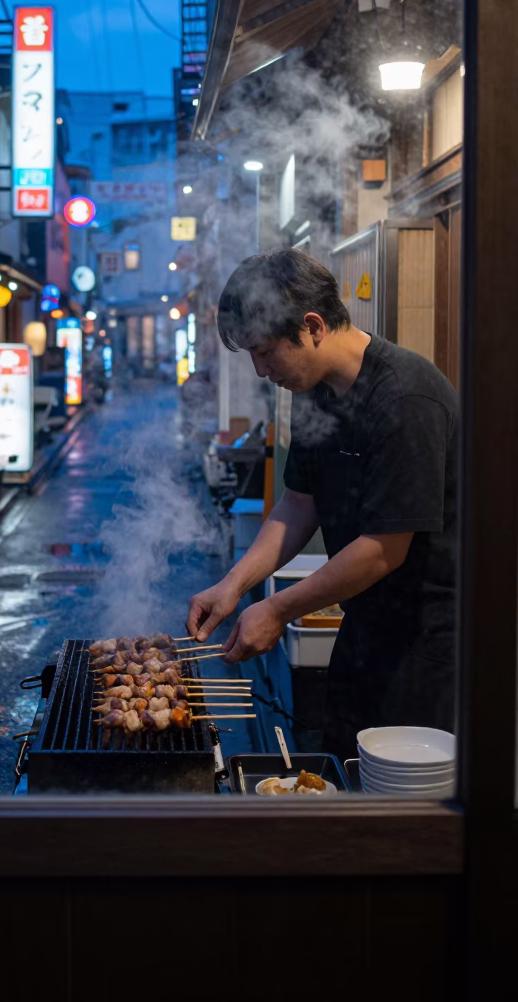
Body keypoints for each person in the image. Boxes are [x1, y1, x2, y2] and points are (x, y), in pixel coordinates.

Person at [186, 247, 457, 762]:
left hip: (426, 645)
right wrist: (233, 586)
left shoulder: (405, 399)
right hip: (362, 629)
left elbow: (383, 549)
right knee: (341, 774)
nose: (261, 371)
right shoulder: (315, 390)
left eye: (266, 352)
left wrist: (278, 609)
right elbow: (297, 504)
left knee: (400, 799)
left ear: (312, 326)